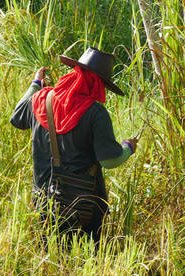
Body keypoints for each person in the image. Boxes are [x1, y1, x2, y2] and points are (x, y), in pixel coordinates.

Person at [10, 47, 138, 243]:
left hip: (44, 201)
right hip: (84, 207)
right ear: (98, 83)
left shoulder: (40, 99)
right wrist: (128, 147)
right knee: (87, 261)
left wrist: (36, 83)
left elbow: (17, 118)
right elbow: (110, 161)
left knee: (52, 259)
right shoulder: (96, 113)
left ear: (75, 72)